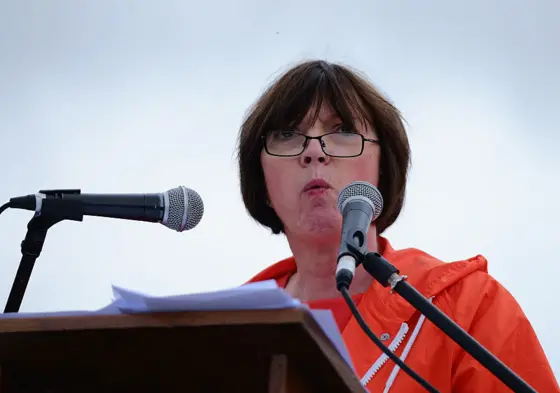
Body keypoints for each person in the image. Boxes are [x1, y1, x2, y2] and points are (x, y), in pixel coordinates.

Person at [236, 60, 559, 392]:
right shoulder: (223, 326)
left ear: (383, 168)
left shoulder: (468, 308)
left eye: (343, 130)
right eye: (288, 134)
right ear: (262, 183)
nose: (315, 151)